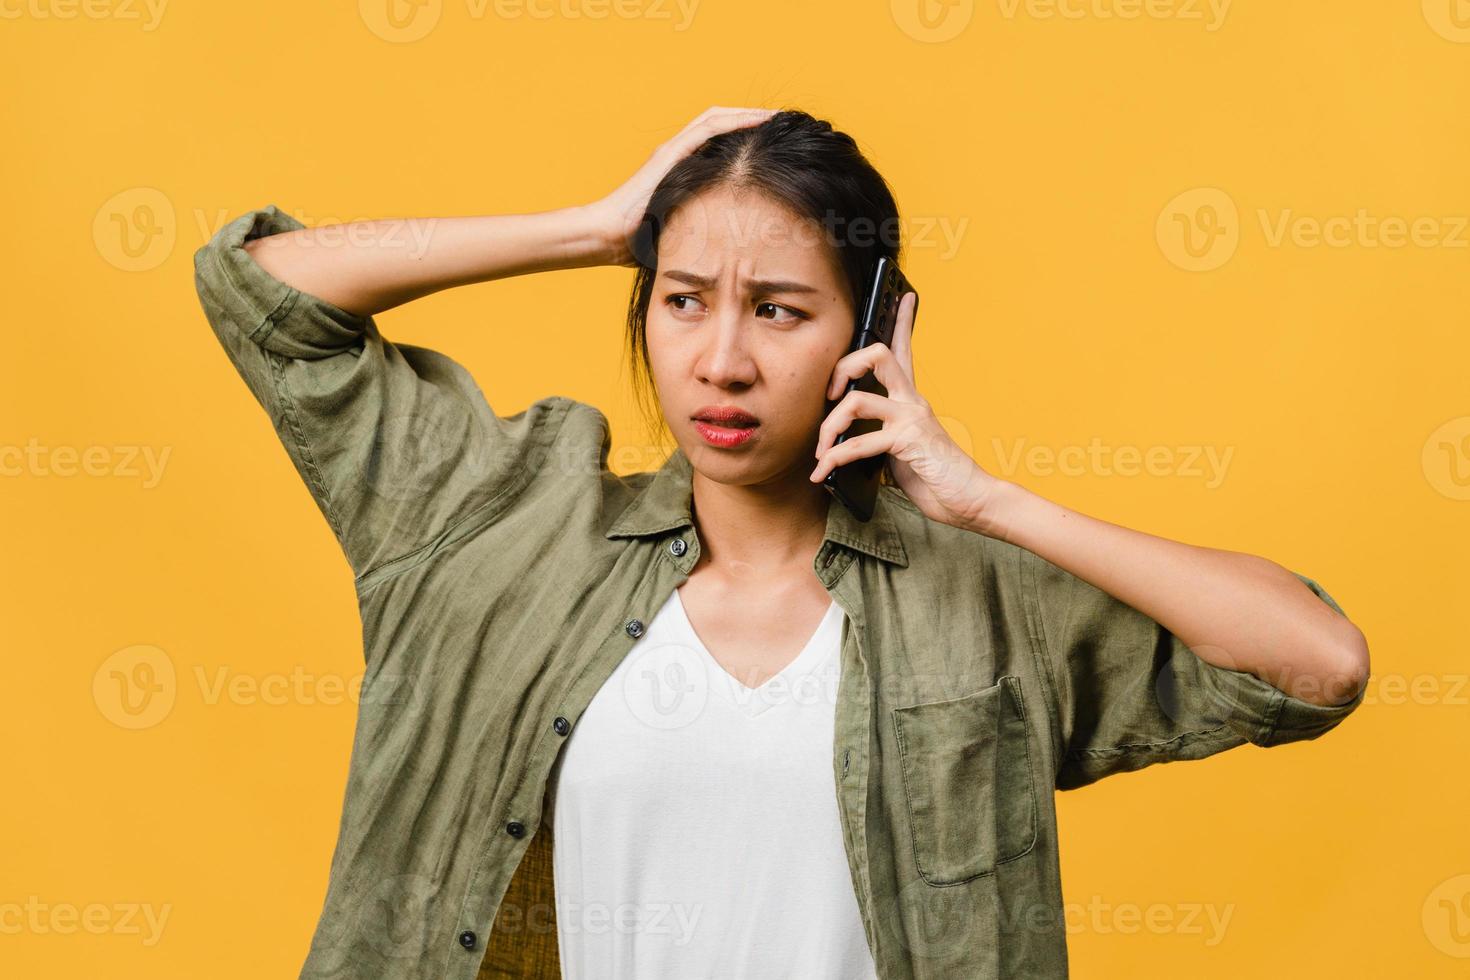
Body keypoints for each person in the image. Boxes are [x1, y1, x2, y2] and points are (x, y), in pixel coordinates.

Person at [192, 106, 1370, 980]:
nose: (722, 361)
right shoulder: (503, 524)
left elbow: (1316, 661)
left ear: (869, 332)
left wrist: (985, 499)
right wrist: (603, 226)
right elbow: (261, 295)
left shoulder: (982, 596)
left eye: (779, 309)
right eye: (684, 297)